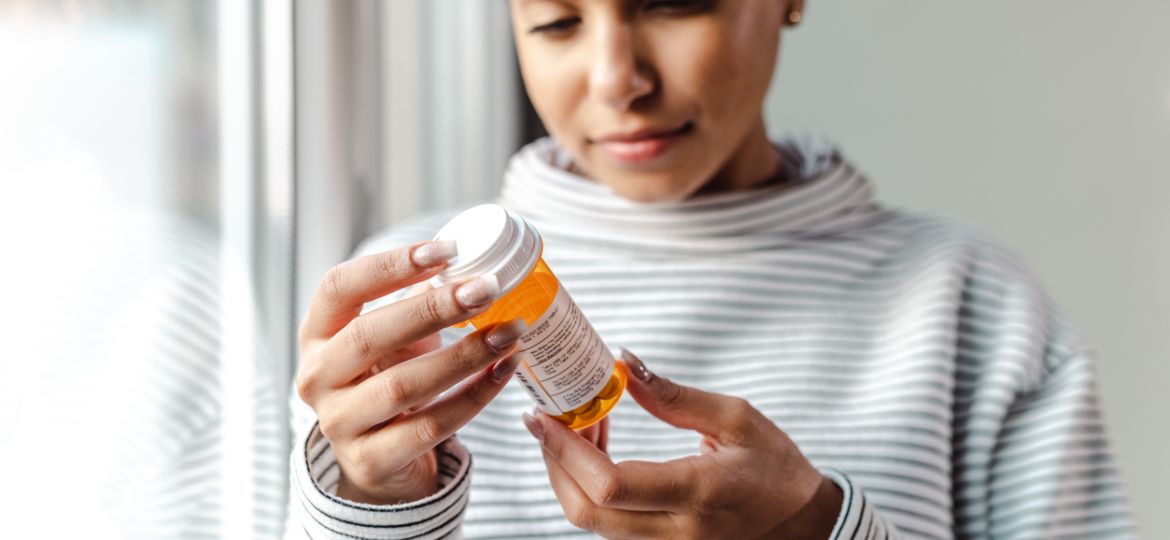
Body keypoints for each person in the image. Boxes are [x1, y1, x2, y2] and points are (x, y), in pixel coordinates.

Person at [286, 1, 1135, 538]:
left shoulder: (971, 305)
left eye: (677, 4)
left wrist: (819, 530)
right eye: (555, 22)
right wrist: (374, 505)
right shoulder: (399, 315)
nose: (619, 78)